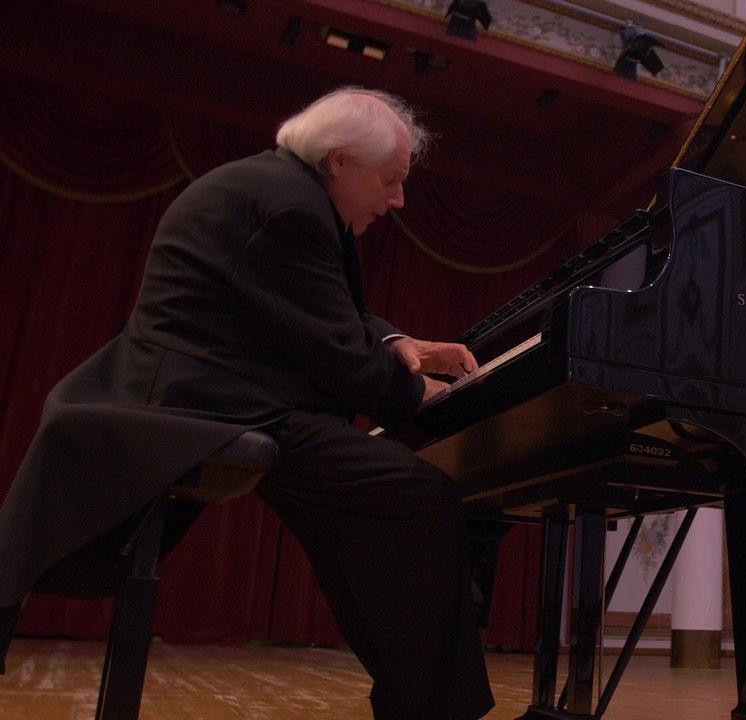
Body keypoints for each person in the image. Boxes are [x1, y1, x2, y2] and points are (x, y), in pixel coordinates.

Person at [0, 87, 494, 720]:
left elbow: (323, 308)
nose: (397, 200)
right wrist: (416, 392)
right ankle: (434, 709)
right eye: (391, 181)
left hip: (221, 392)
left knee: (379, 502)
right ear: (340, 160)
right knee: (416, 496)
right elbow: (342, 361)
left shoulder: (277, 188)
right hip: (210, 404)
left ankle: (421, 701)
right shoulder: (289, 207)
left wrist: (403, 344)